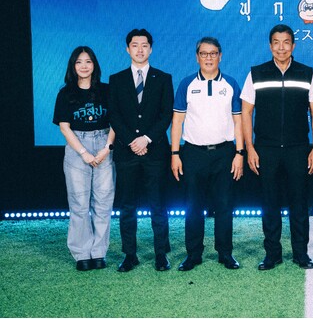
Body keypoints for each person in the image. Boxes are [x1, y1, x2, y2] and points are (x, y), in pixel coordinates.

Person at [241, 24, 313, 271]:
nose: (281, 47)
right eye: (276, 42)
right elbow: (246, 113)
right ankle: (272, 254)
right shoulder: (256, 73)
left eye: (286, 42)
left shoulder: (307, 73)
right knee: (270, 203)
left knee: (299, 203)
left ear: (293, 45)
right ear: (270, 45)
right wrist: (250, 148)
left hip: (299, 149)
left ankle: (301, 253)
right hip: (266, 149)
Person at [171, 37, 244, 271]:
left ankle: (225, 253)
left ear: (220, 56)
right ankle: (193, 254)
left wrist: (240, 152)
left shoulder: (230, 84)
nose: (209, 58)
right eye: (204, 54)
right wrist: (175, 153)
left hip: (224, 153)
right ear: (197, 57)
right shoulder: (187, 84)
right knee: (193, 206)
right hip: (193, 153)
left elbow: (238, 121)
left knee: (224, 205)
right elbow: (177, 121)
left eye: (213, 53)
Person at [109, 28, 173, 272]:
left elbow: (166, 114)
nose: (140, 49)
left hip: (155, 152)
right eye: (135, 45)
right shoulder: (116, 79)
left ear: (151, 49)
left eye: (144, 45)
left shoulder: (163, 78)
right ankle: (129, 255)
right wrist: (132, 141)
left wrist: (146, 139)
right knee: (127, 206)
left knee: (158, 205)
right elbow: (114, 115)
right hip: (126, 153)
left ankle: (161, 254)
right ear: (127, 49)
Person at [53, 46, 115, 271]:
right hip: (77, 147)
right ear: (73, 66)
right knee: (79, 203)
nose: (84, 66)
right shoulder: (65, 93)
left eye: (88, 61)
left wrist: (106, 148)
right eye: (79, 62)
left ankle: (98, 252)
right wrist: (84, 153)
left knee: (103, 202)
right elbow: (64, 127)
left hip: (104, 145)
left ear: (94, 65)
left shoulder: (106, 91)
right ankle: (81, 254)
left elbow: (116, 122)